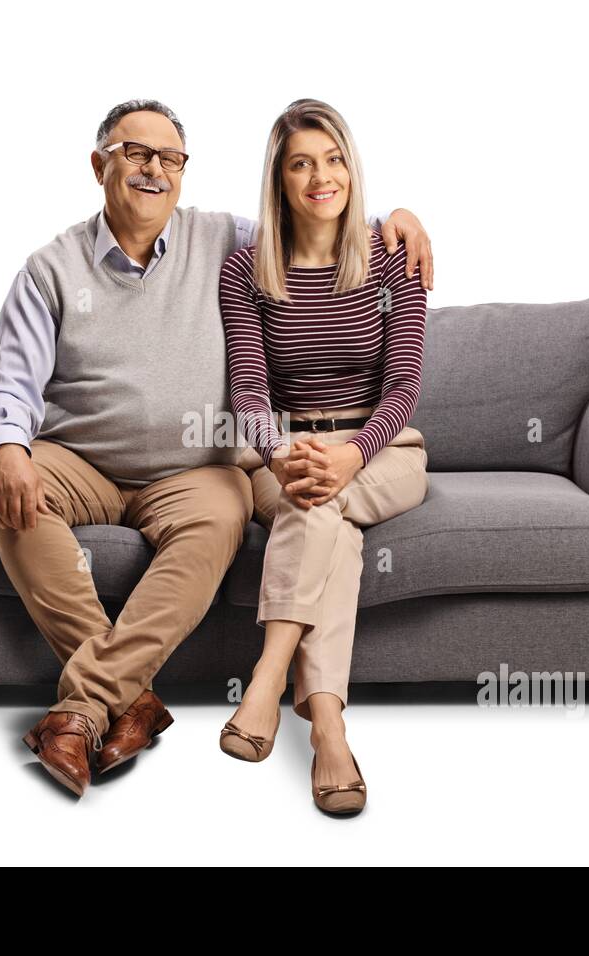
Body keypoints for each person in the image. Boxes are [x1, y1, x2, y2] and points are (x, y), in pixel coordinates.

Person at [0, 98, 434, 799]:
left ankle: (204, 691)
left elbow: (319, 217)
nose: (155, 170)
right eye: (136, 154)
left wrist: (397, 217)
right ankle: (117, 699)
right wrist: (7, 448)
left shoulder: (222, 241)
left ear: (185, 173)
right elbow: (9, 383)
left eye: (171, 159)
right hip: (83, 459)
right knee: (9, 490)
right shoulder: (54, 269)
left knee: (245, 509)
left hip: (215, 468)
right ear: (100, 165)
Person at [217, 98, 430, 814]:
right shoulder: (246, 269)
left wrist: (354, 454)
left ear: (351, 167)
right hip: (289, 453)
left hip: (384, 448)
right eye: (302, 163)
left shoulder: (391, 257)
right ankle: (331, 732)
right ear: (279, 178)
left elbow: (403, 386)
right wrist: (279, 454)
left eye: (334, 159)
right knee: (322, 517)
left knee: (325, 496)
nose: (321, 177)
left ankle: (267, 681)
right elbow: (248, 386)